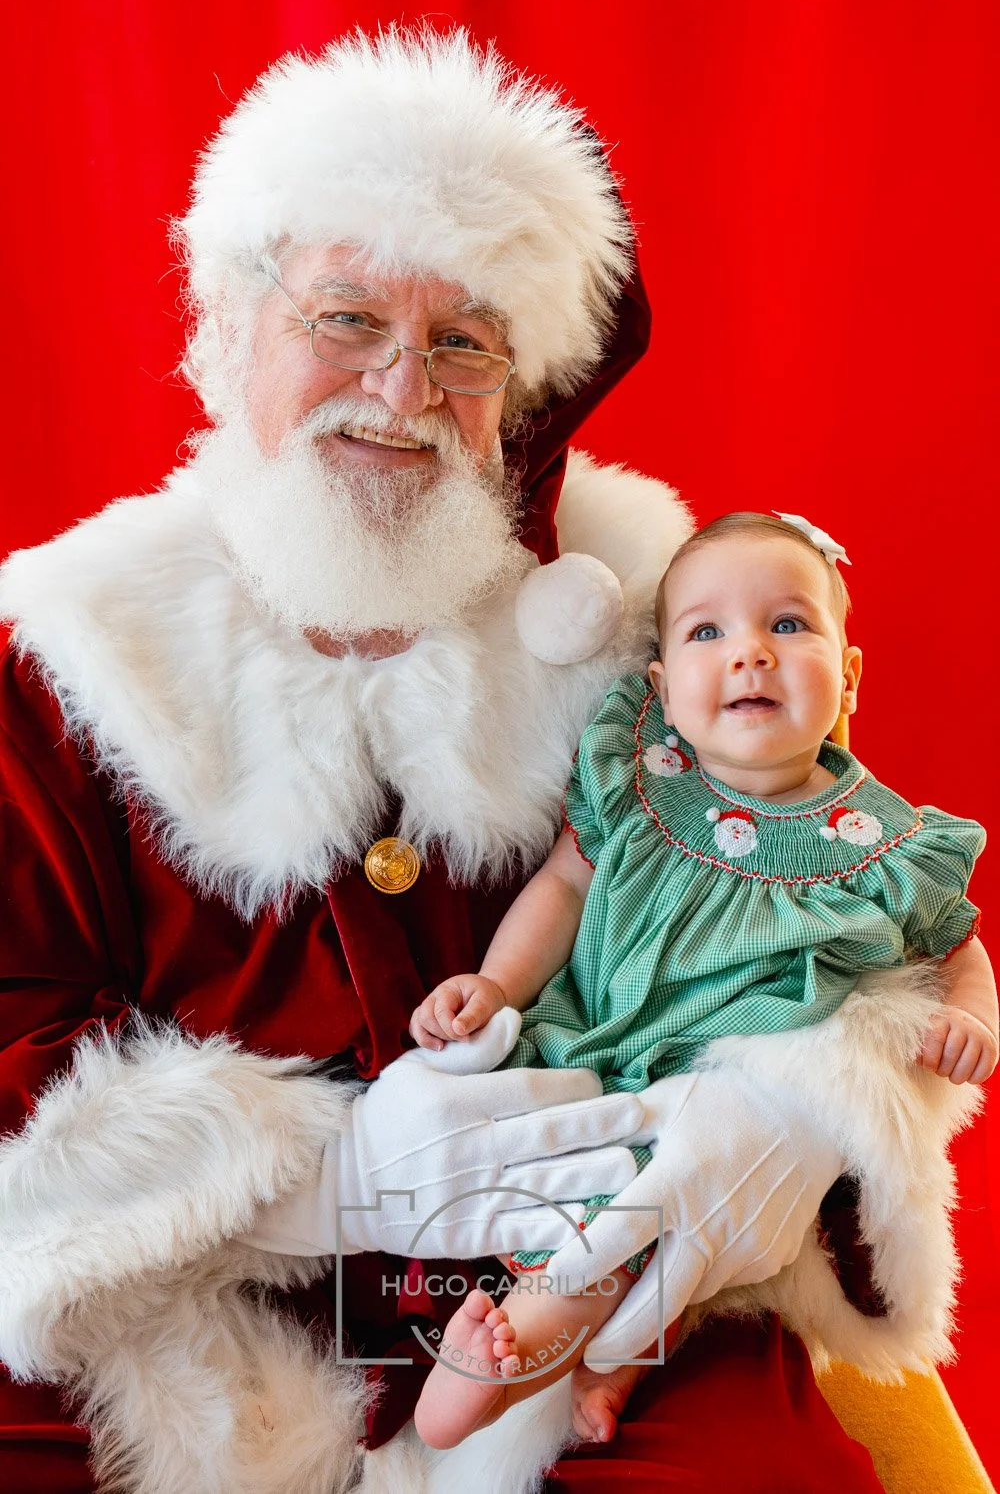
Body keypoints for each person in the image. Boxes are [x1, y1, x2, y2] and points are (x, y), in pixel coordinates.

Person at [0, 28, 934, 1494]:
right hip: (189, 1311)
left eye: (463, 342)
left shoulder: (654, 618)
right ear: (233, 326)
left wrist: (776, 1115)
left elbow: (847, 912)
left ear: (525, 383)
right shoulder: (66, 655)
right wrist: (325, 1180)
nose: (399, 387)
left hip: (585, 1293)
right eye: (349, 316)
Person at [407, 510, 996, 1451]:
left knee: (642, 1222)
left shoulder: (883, 842)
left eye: (790, 625)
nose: (751, 654)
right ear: (664, 687)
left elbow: (957, 944)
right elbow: (563, 884)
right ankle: (608, 1372)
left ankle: (500, 1363)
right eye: (707, 632)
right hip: (597, 1045)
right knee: (597, 1208)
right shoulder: (640, 781)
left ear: (848, 678)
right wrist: (496, 983)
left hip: (725, 1093)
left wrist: (974, 1015)